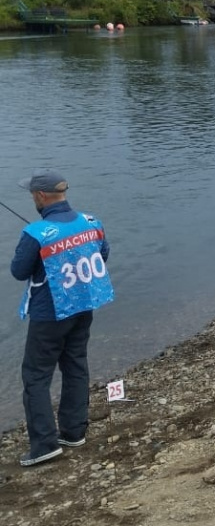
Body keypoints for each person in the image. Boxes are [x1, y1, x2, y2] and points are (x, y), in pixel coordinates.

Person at [10, 169, 113, 467]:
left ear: (41, 196)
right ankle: (74, 431)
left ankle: (43, 445)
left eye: (32, 194)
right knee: (76, 364)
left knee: (36, 375)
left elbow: (18, 271)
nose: (32, 198)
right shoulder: (92, 222)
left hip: (50, 314)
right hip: (84, 306)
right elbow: (101, 254)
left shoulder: (36, 233)